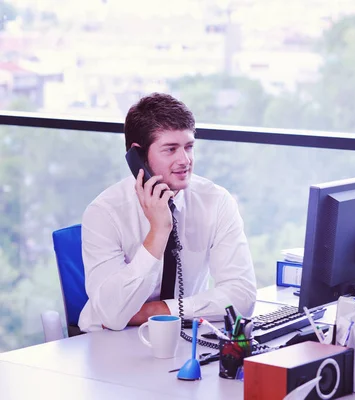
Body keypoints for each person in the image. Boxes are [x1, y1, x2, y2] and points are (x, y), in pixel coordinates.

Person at [78, 93, 257, 332]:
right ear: (138, 156)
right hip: (106, 342)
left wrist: (159, 311)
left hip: (181, 335)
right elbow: (112, 315)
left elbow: (243, 297)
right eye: (170, 149)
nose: (185, 160)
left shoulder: (216, 201)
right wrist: (159, 231)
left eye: (189, 147)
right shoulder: (104, 213)